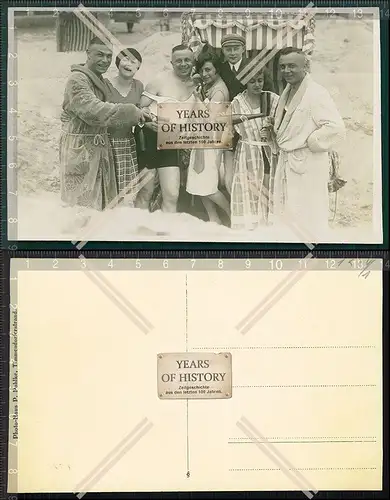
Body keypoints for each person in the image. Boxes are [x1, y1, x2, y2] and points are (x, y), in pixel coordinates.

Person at [59, 37, 151, 228]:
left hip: (98, 148)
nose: (105, 60)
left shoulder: (95, 78)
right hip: (81, 149)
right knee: (81, 205)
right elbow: (94, 110)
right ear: (88, 54)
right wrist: (132, 111)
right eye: (99, 55)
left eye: (108, 56)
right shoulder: (77, 79)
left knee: (99, 205)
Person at [272, 47, 346, 239]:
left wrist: (311, 141)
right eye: (283, 67)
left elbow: (336, 128)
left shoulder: (316, 93)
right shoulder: (287, 93)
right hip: (288, 161)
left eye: (292, 66)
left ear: (305, 66)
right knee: (289, 214)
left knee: (311, 215)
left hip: (309, 163)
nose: (287, 71)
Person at [136, 45, 197, 213]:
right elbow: (140, 109)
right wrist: (147, 122)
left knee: (171, 194)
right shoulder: (160, 80)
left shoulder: (197, 84)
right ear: (172, 62)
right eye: (178, 60)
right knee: (145, 192)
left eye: (187, 60)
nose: (183, 64)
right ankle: (137, 234)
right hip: (150, 139)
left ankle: (167, 234)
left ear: (193, 62)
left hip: (171, 141)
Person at [230, 64, 279, 230]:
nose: (257, 85)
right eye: (252, 82)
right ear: (245, 82)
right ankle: (251, 226)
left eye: (260, 80)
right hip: (247, 151)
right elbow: (230, 125)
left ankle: (266, 224)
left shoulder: (271, 99)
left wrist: (271, 128)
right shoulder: (238, 102)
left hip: (267, 150)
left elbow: (282, 123)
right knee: (250, 189)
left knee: (267, 188)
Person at [186, 50, 230, 224]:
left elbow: (209, 119)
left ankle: (233, 214)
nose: (204, 74)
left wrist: (196, 98)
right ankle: (214, 218)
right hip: (201, 139)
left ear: (216, 70)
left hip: (212, 140)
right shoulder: (208, 87)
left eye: (208, 70)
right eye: (202, 70)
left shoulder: (219, 90)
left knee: (208, 185)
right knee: (198, 183)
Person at [105, 48, 144, 207]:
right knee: (107, 190)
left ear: (138, 67)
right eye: (125, 59)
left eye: (134, 62)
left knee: (127, 194)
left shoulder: (139, 86)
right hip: (106, 143)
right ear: (118, 63)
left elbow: (141, 115)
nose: (129, 64)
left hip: (128, 144)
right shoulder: (105, 84)